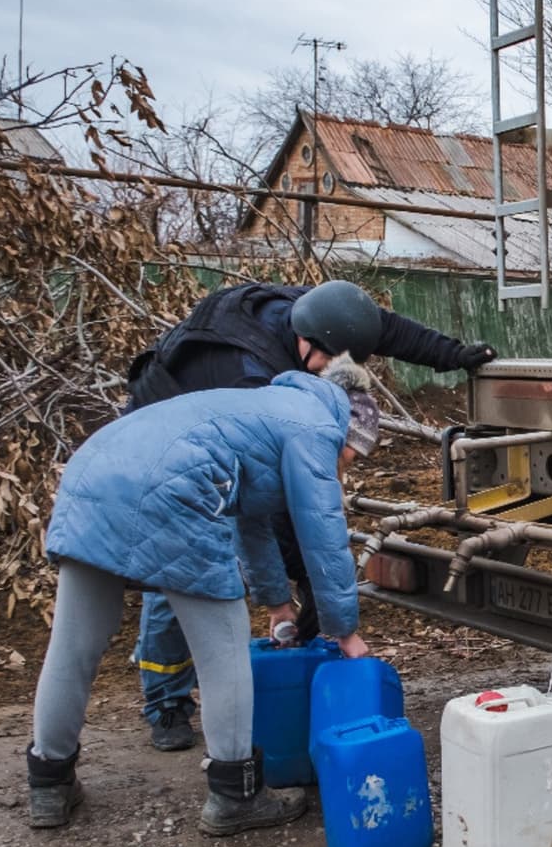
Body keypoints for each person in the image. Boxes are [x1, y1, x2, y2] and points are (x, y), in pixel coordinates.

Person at [125, 279, 493, 752]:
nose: (341, 465)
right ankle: (166, 702)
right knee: (180, 567)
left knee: (258, 540)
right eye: (343, 455)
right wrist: (314, 594)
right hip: (161, 439)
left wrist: (455, 354)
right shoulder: (252, 377)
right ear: (306, 344)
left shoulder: (322, 317)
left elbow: (383, 328)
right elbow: (275, 511)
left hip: (220, 428)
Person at [25, 358, 381, 836]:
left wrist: (278, 605)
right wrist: (346, 630)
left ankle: (49, 784)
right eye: (353, 455)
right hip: (169, 489)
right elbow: (323, 533)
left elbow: (249, 522)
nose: (347, 466)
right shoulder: (316, 425)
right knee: (224, 651)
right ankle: (237, 795)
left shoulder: (266, 408)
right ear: (350, 429)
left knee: (73, 645)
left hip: (93, 471)